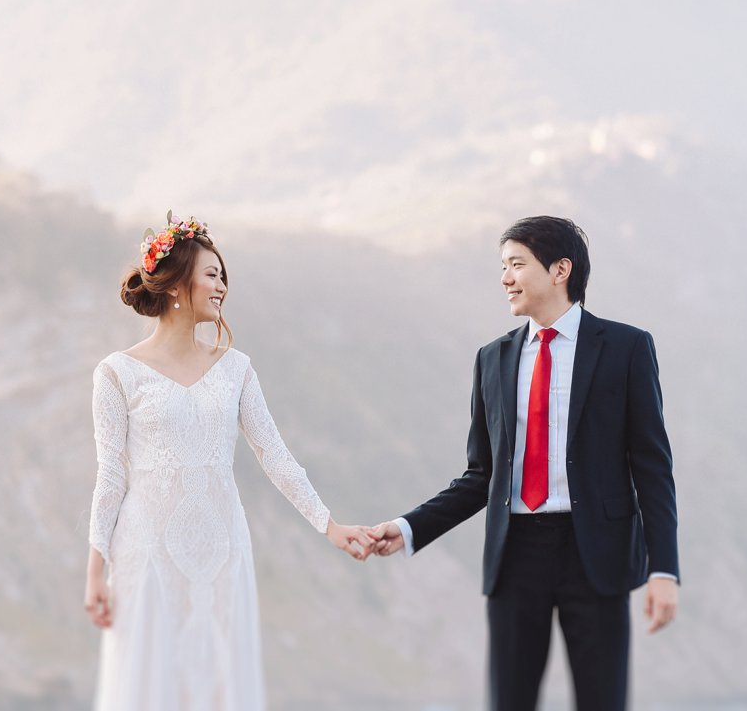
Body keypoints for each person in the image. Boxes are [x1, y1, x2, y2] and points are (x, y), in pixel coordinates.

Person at [368, 216, 679, 711]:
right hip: (515, 556)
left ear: (560, 269)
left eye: (516, 264)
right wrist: (407, 528)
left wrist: (665, 570)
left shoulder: (626, 348)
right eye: (503, 266)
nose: (505, 278)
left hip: (596, 554)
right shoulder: (491, 359)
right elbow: (480, 477)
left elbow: (652, 469)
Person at [84, 212, 376, 711]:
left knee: (220, 685)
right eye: (212, 275)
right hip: (146, 553)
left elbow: (275, 456)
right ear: (177, 283)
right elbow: (110, 478)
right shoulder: (116, 374)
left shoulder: (236, 369)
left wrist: (329, 526)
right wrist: (96, 572)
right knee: (150, 685)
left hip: (221, 552)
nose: (222, 287)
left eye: (224, 277)